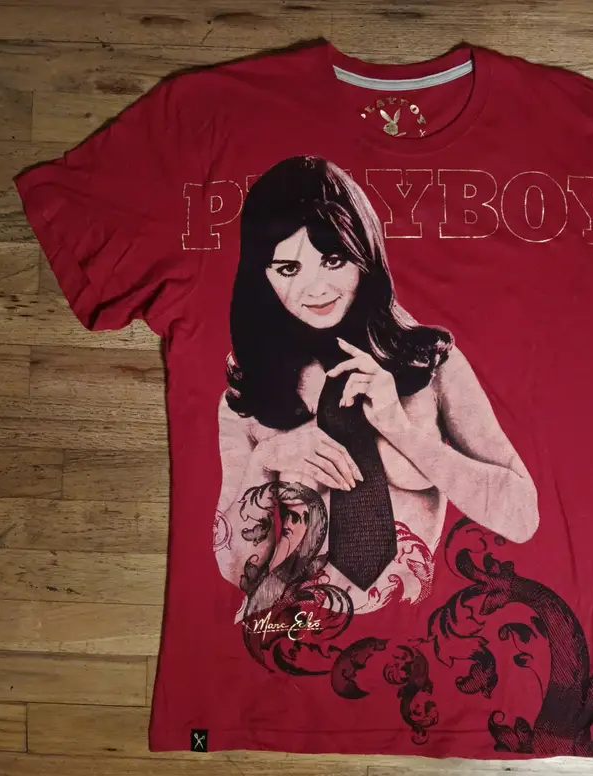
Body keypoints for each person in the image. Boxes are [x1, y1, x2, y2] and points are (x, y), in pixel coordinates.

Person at [214, 155, 539, 621]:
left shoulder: (430, 364)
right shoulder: (250, 393)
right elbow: (236, 571)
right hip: (296, 630)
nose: (315, 289)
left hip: (426, 632)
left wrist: (400, 430)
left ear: (363, 253)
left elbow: (522, 516)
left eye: (332, 260)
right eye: (287, 269)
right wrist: (265, 461)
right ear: (260, 276)